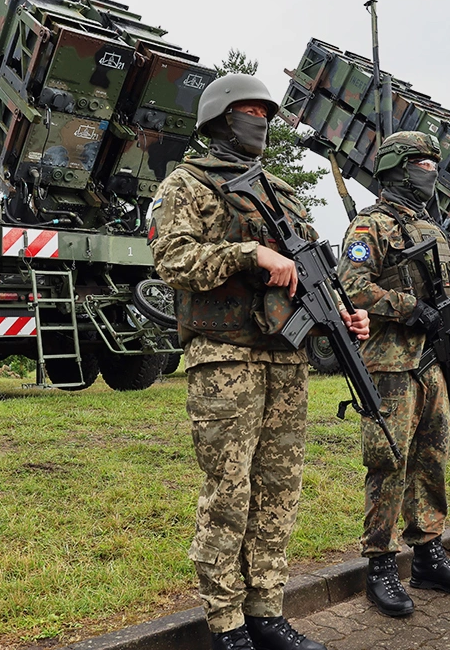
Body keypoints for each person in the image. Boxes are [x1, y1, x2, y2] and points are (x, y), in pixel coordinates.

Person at [150, 73, 368, 650]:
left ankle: (267, 609)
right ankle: (226, 623)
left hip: (285, 359)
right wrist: (249, 252)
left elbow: (311, 269)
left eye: (267, 114)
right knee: (229, 489)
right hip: (225, 359)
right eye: (251, 111)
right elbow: (173, 261)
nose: (262, 121)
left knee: (279, 488)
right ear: (221, 117)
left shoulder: (282, 192)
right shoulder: (186, 185)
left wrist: (345, 315)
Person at [337, 131, 450, 618]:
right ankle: (380, 563)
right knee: (388, 462)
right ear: (398, 168)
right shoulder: (369, 226)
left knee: (431, 457)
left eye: (432, 163)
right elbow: (353, 287)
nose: (430, 171)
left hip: (433, 361)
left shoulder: (432, 229)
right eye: (421, 162)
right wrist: (408, 307)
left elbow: (449, 283)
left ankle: (427, 553)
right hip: (391, 364)